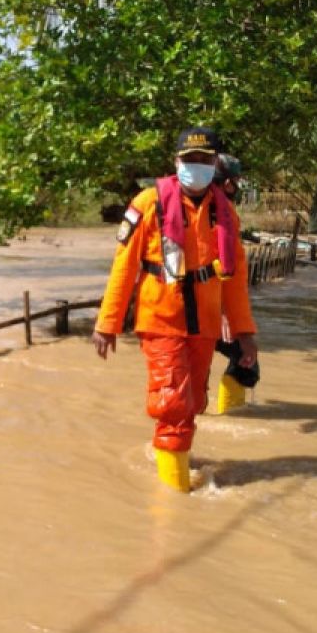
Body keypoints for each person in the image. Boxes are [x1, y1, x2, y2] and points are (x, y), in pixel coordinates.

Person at [92, 127, 258, 492]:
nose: (197, 166)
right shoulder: (148, 203)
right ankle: (175, 498)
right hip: (161, 317)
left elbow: (235, 278)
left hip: (206, 323)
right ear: (176, 162)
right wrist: (108, 323)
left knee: (194, 399)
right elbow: (124, 266)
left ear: (215, 164)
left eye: (205, 160)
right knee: (173, 402)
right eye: (190, 160)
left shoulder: (225, 211)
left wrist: (245, 333)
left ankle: (173, 457)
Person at [212, 154, 260, 413]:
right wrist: (225, 314)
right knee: (246, 362)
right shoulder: (221, 214)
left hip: (187, 312)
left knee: (190, 373)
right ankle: (230, 418)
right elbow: (218, 267)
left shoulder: (201, 208)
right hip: (210, 311)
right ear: (229, 183)